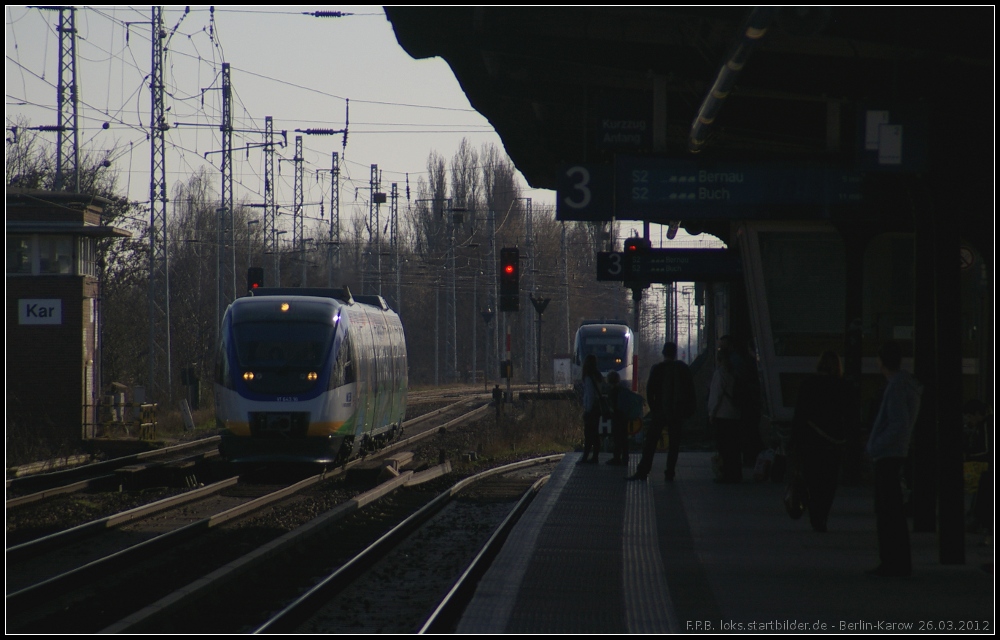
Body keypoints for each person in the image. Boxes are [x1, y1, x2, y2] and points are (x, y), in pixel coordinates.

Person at [866, 340, 922, 577]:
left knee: (887, 511)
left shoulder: (896, 387)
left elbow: (897, 424)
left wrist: (875, 446)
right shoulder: (905, 385)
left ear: (881, 361)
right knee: (893, 511)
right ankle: (898, 561)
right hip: (895, 452)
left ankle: (891, 561)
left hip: (888, 454)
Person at [790, 351, 854, 532]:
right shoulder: (844, 387)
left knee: (812, 479)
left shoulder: (808, 384)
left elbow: (799, 415)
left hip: (810, 441)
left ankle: (815, 513)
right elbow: (850, 417)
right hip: (833, 442)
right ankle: (822, 514)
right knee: (828, 482)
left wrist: (794, 440)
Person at [629, 342, 692, 481]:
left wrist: (655, 408)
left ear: (663, 353)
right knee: (674, 444)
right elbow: (689, 391)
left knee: (650, 443)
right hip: (676, 413)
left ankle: (643, 471)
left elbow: (650, 390)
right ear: (675, 353)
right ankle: (670, 473)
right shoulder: (683, 369)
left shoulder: (657, 369)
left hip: (660, 412)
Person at [708, 344, 742, 483]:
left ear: (719, 360)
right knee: (734, 447)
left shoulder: (720, 373)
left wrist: (711, 413)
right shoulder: (735, 373)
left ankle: (726, 474)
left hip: (722, 415)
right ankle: (735, 473)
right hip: (735, 414)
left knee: (723, 447)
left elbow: (716, 395)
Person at [579, 354, 604, 464]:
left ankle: (586, 457)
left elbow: (589, 395)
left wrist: (587, 410)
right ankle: (595, 456)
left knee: (588, 434)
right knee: (595, 434)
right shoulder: (597, 376)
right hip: (597, 408)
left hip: (591, 410)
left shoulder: (589, 377)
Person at [605, 370, 630, 466]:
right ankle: (625, 458)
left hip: (616, 416)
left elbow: (612, 406)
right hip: (624, 416)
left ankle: (616, 458)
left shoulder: (612, 391)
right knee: (624, 438)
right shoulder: (622, 389)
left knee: (617, 438)